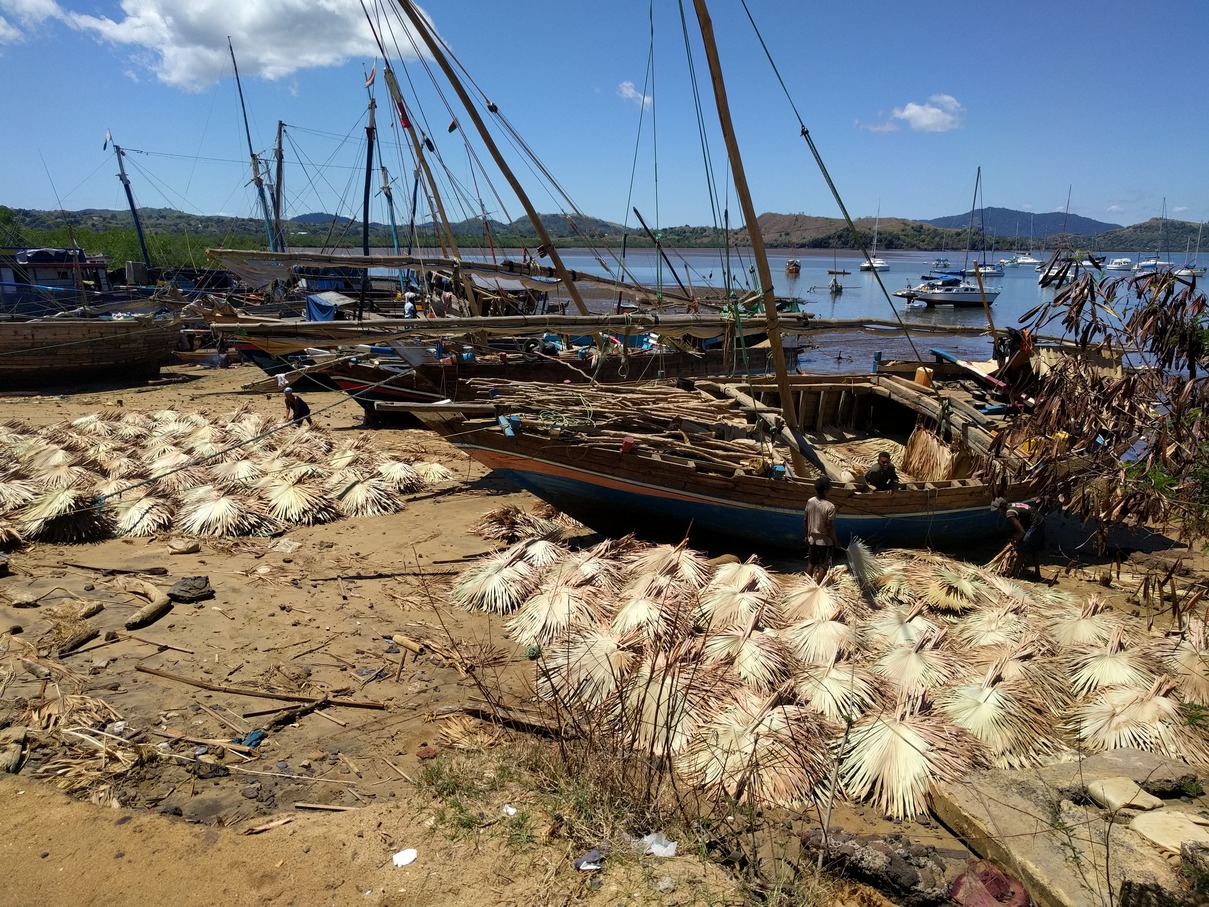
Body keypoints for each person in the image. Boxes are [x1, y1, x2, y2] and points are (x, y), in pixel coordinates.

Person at [992, 497, 1045, 579]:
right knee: (1034, 548)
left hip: (1036, 523)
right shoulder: (1012, 505)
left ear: (1002, 507)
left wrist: (1015, 541)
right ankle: (1037, 573)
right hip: (1037, 520)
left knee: (1020, 549)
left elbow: (1022, 532)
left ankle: (1015, 574)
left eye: (997, 510)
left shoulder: (1009, 514)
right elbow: (1023, 520)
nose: (997, 512)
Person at [804, 476, 838, 581]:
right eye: (830, 486)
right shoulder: (830, 506)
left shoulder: (810, 501)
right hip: (825, 541)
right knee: (824, 564)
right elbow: (829, 526)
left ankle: (806, 584)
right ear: (826, 490)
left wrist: (806, 536)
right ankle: (817, 588)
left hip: (812, 539)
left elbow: (805, 520)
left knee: (811, 562)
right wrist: (835, 541)